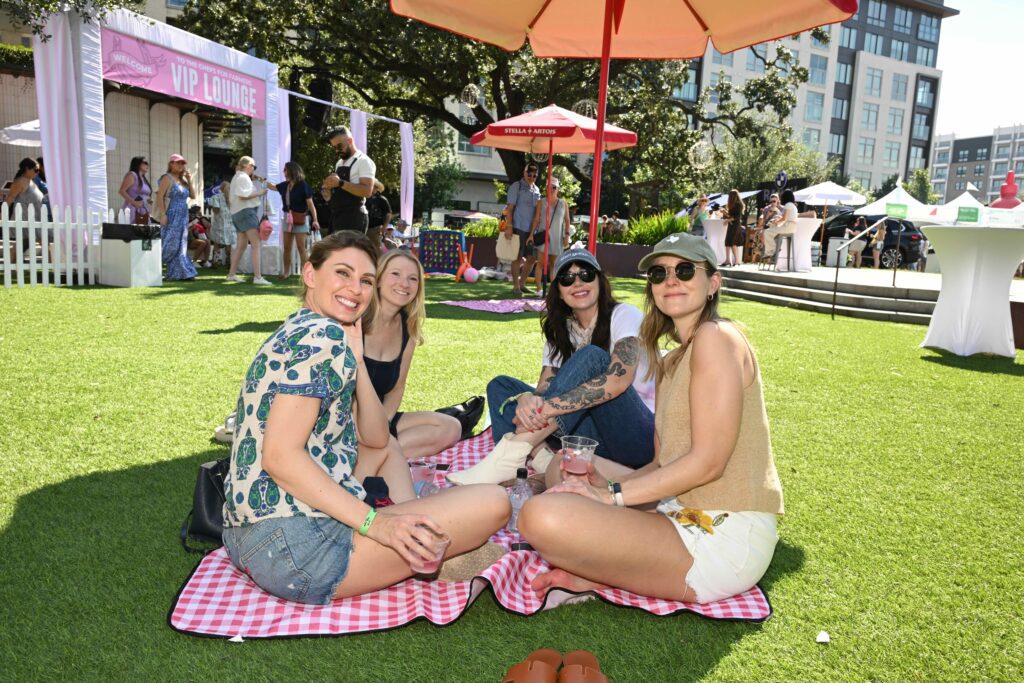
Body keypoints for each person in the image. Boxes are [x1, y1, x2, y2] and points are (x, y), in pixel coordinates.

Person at [221, 231, 509, 605]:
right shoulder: (323, 337)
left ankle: (416, 538)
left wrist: (357, 360)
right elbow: (281, 458)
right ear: (310, 274)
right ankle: (418, 544)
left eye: (365, 280)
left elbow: (376, 439)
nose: (355, 289)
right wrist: (376, 524)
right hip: (294, 549)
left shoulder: (303, 326)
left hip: (246, 534)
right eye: (342, 273)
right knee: (494, 502)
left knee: (389, 448)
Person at [516, 232, 784, 605]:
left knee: (539, 517)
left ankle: (605, 569)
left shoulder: (717, 337)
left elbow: (709, 462)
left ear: (714, 283)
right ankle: (605, 576)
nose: (670, 280)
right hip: (676, 507)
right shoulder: (671, 360)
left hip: (722, 530)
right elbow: (660, 462)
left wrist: (610, 497)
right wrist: (600, 485)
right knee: (565, 464)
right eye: (659, 274)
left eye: (685, 270)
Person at [450, 248, 656, 486]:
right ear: (558, 290)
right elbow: (545, 389)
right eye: (567, 279)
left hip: (635, 435)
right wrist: (528, 397)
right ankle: (540, 459)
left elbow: (618, 381)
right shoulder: (561, 333)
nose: (577, 283)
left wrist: (547, 408)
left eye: (586, 274)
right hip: (590, 434)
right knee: (502, 386)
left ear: (600, 280)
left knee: (593, 357)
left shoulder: (624, 315)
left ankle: (513, 452)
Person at [362, 249, 462, 461]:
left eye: (412, 278)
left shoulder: (408, 328)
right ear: (378, 280)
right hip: (343, 418)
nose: (404, 284)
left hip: (379, 416)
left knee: (451, 427)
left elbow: (397, 387)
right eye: (395, 274)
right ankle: (379, 457)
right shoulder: (355, 321)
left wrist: (383, 423)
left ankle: (376, 457)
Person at [267, 161, 319, 280]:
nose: (283, 172)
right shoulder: (285, 185)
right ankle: (286, 273)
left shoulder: (303, 185)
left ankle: (307, 275)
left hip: (300, 219)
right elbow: (273, 187)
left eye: (285, 170)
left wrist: (315, 220)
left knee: (301, 248)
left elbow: (311, 205)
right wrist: (261, 180)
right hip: (287, 218)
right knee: (287, 247)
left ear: (291, 171)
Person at [225, 155, 271, 285]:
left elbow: (240, 194)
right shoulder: (242, 177)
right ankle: (257, 277)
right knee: (256, 244)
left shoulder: (237, 177)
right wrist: (260, 193)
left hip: (238, 213)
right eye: (253, 166)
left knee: (242, 245)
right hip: (246, 212)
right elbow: (243, 195)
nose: (254, 169)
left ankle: (231, 274)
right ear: (248, 166)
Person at [323, 126, 376, 238]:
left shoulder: (364, 161)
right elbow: (339, 191)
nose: (337, 150)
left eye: (339, 146)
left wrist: (340, 183)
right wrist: (327, 193)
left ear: (350, 141)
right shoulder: (339, 163)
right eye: (334, 147)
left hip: (355, 218)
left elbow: (367, 191)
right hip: (338, 216)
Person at [154, 154, 197, 281]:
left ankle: (182, 272)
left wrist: (189, 180)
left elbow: (193, 196)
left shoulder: (183, 181)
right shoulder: (167, 178)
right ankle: (152, 264)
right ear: (171, 164)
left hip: (183, 215)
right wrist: (163, 214)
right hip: (171, 213)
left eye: (182, 163)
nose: (180, 165)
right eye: (178, 163)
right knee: (169, 242)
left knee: (181, 244)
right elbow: (159, 197)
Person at [506, 163, 541, 296]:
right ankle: (515, 286)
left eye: (535, 175)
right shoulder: (517, 186)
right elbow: (510, 209)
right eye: (529, 174)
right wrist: (509, 227)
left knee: (532, 258)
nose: (532, 177)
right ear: (524, 173)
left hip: (532, 231)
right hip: (517, 227)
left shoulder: (537, 189)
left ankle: (522, 283)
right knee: (517, 257)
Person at [5, 157, 49, 260]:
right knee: (43, 244)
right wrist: (2, 213)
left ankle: (13, 266)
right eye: (36, 170)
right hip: (26, 219)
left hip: (36, 219)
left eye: (39, 170)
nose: (38, 172)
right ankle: (13, 267)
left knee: (26, 244)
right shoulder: (21, 181)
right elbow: (10, 198)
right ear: (27, 169)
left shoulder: (30, 181)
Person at [528, 177, 571, 280]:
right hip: (544, 236)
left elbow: (567, 221)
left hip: (557, 238)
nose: (551, 189)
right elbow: (536, 219)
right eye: (549, 187)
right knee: (540, 264)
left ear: (558, 189)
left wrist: (567, 236)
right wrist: (531, 235)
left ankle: (553, 290)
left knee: (554, 265)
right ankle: (539, 289)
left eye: (554, 187)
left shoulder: (563, 203)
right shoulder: (541, 202)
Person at [763, 189, 798, 260]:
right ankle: (774, 249)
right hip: (791, 227)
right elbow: (786, 218)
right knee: (772, 229)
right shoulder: (793, 206)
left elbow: (784, 219)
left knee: (767, 232)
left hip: (788, 227)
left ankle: (771, 251)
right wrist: (777, 220)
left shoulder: (788, 205)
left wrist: (777, 222)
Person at [207, 181, 235, 266]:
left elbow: (216, 210)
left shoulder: (216, 197)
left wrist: (212, 208)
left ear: (221, 188)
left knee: (217, 243)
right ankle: (229, 261)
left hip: (219, 223)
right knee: (229, 243)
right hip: (230, 223)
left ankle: (215, 261)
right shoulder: (232, 198)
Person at [117, 156, 152, 224]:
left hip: (144, 210)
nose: (147, 165)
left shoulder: (143, 179)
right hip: (132, 209)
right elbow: (122, 191)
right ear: (138, 164)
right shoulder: (132, 175)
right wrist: (134, 202)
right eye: (145, 163)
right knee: (133, 231)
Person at [366, 180, 392, 249]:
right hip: (364, 228)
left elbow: (388, 214)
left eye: (374, 186)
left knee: (376, 249)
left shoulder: (382, 199)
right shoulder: (364, 198)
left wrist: (384, 227)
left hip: (376, 228)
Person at [724, 189, 745, 267]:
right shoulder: (733, 204)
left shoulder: (738, 204)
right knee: (727, 243)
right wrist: (725, 213)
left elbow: (736, 217)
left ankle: (737, 261)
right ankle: (728, 260)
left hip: (735, 226)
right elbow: (732, 216)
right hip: (731, 225)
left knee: (733, 243)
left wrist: (727, 220)